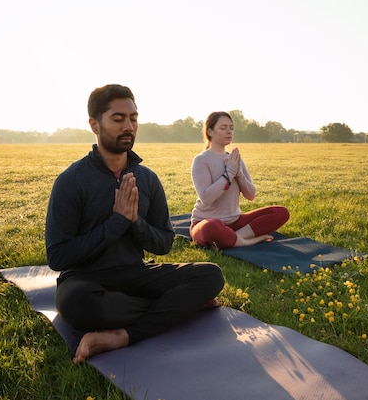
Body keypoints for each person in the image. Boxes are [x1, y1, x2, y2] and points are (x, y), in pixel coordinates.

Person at [45, 84, 225, 363]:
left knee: (210, 275)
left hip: (135, 274)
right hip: (87, 279)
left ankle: (122, 335)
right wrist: (115, 223)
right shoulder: (71, 181)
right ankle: (179, 307)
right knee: (75, 304)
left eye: (133, 118)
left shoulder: (148, 179)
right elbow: (58, 256)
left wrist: (134, 222)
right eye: (118, 119)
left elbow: (164, 243)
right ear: (94, 124)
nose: (128, 126)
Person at [189, 111, 290, 249]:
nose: (229, 131)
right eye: (223, 128)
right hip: (206, 222)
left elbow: (250, 195)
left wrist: (239, 174)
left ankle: (234, 237)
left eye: (231, 128)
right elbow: (207, 198)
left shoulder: (235, 159)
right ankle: (247, 240)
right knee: (212, 227)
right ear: (210, 131)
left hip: (235, 221)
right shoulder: (201, 160)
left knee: (280, 212)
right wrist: (228, 174)